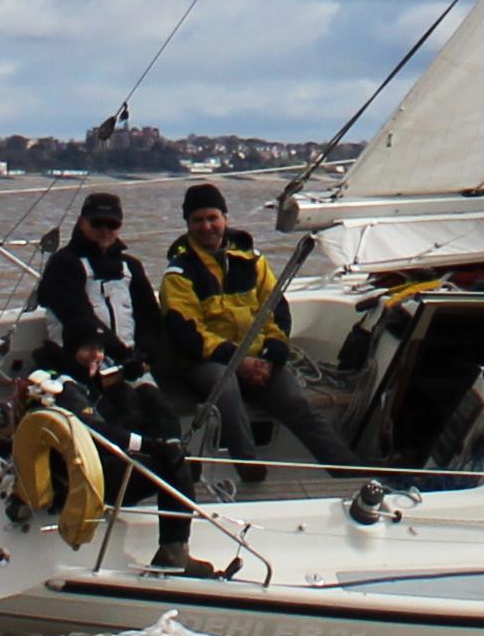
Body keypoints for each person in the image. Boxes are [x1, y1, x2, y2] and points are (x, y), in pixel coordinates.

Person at [22, 191, 223, 575]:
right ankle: (111, 509)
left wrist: (140, 358)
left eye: (112, 224)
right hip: (87, 378)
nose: (104, 231)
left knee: (171, 438)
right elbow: (76, 315)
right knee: (141, 442)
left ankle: (175, 546)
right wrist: (103, 351)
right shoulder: (64, 266)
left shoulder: (130, 267)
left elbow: (149, 317)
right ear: (82, 223)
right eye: (97, 224)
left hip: (128, 370)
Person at [159, 180, 362, 484]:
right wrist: (237, 362)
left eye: (212, 217)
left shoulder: (252, 261)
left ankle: (348, 470)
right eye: (197, 220)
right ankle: (248, 464)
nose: (206, 226)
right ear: (187, 224)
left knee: (296, 401)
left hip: (256, 359)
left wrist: (273, 353)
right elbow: (188, 335)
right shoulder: (179, 273)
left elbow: (275, 309)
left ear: (225, 218)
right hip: (206, 363)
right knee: (224, 387)